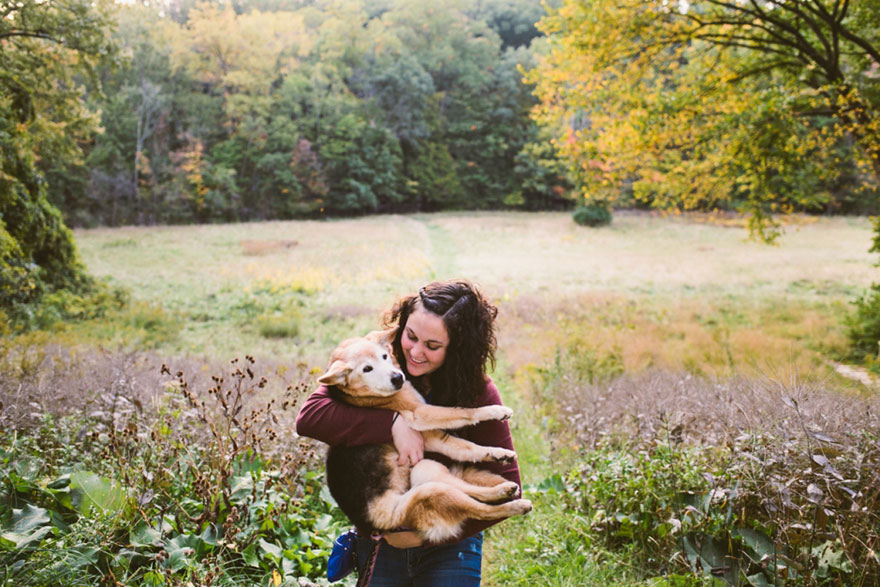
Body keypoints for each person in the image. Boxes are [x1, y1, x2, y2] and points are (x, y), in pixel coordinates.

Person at [296, 280, 522, 586]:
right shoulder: (377, 359)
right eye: (411, 336)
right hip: (381, 539)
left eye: (432, 346)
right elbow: (310, 417)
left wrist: (423, 537)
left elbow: (509, 485)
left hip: (450, 544)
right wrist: (393, 423)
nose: (415, 352)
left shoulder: (477, 391)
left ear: (457, 348)